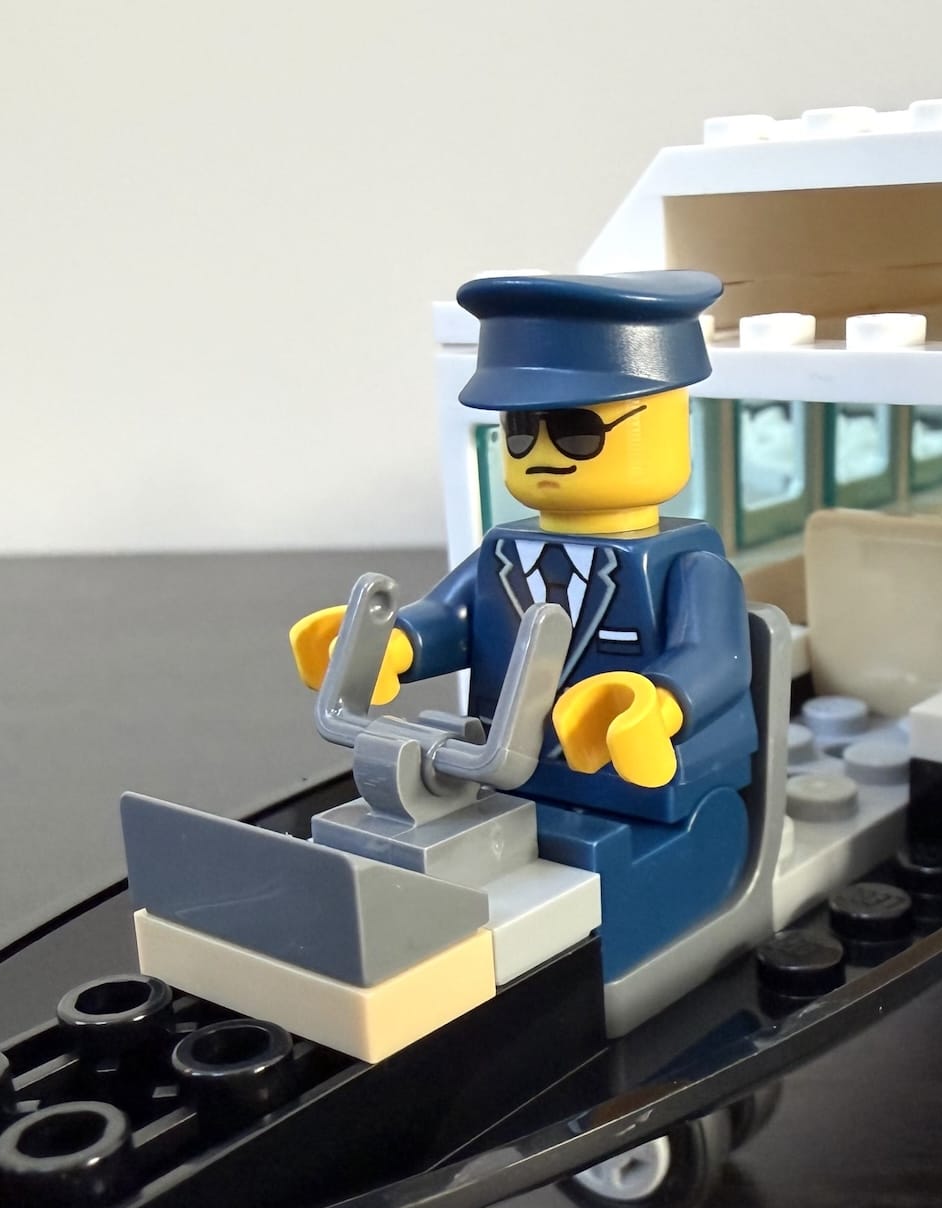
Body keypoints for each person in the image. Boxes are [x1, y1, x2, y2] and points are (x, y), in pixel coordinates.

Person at [291, 271, 754, 978]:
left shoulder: (687, 563)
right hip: (508, 778)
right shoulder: (505, 551)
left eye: (576, 432)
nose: (541, 453)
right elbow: (453, 616)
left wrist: (655, 702)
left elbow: (715, 657)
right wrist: (388, 644)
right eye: (520, 430)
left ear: (664, 427)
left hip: (647, 794)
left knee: (590, 895)